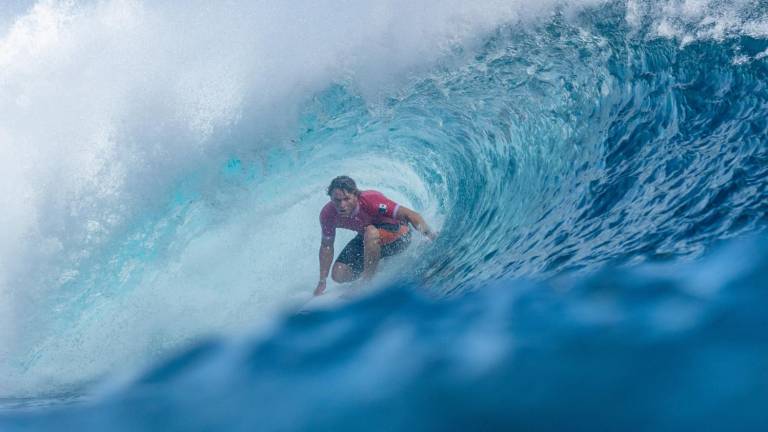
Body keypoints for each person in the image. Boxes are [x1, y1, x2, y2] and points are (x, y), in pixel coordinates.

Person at [314, 176, 437, 296]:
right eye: (337, 200)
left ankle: (367, 282)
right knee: (338, 274)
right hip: (368, 237)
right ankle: (374, 266)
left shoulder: (370, 200)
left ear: (355, 195)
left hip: (398, 236)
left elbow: (411, 215)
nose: (342, 205)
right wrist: (322, 281)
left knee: (370, 232)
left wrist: (431, 236)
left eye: (346, 199)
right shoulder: (328, 214)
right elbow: (326, 246)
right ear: (331, 198)